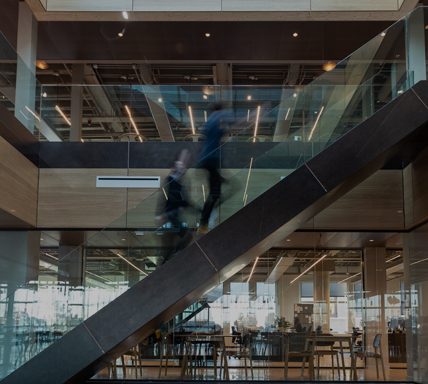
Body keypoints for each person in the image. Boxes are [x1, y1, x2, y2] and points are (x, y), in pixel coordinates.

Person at [197, 102, 232, 234]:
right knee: (215, 193)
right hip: (212, 159)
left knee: (215, 191)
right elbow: (223, 130)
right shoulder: (217, 118)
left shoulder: (209, 121)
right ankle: (204, 222)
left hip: (208, 160)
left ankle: (204, 221)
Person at [156, 149, 193, 263]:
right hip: (170, 215)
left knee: (171, 243)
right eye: (180, 165)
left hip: (173, 216)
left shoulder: (179, 181)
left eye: (183, 166)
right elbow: (168, 198)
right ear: (174, 166)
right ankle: (173, 255)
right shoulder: (171, 180)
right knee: (186, 236)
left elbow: (183, 199)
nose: (182, 168)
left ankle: (168, 259)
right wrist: (160, 214)